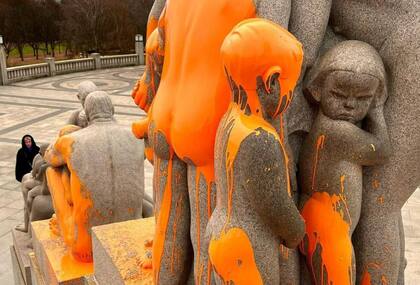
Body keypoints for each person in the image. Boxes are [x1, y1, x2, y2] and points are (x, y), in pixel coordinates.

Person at [298, 41, 391, 285]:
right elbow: (381, 150)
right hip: (330, 230)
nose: (350, 105)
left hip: (319, 222)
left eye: (363, 99)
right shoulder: (339, 132)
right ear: (318, 89)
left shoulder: (326, 127)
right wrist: (376, 111)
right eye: (338, 95)